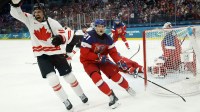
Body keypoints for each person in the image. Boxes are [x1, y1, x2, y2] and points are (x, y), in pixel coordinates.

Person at [10, 1, 88, 111]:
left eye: (39, 12)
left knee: (69, 77)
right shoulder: (29, 19)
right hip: (42, 55)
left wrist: (61, 38)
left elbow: (67, 34)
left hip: (56, 54)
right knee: (52, 79)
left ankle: (81, 94)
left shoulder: (53, 23)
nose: (36, 14)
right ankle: (65, 100)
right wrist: (15, 4)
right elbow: (16, 14)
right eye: (35, 12)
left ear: (44, 13)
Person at [80, 19, 136, 109]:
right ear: (95, 27)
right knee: (96, 78)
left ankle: (128, 88)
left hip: (103, 60)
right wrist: (98, 57)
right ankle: (111, 96)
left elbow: (113, 53)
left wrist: (120, 62)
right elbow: (84, 53)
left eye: (102, 26)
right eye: (98, 26)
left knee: (115, 75)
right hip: (89, 61)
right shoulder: (89, 36)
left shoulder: (108, 39)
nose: (101, 28)